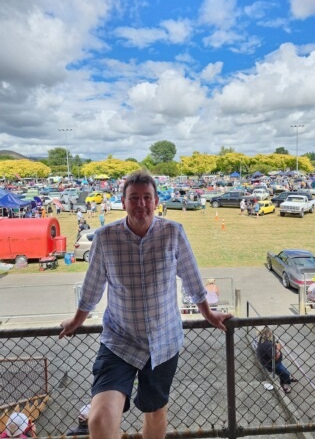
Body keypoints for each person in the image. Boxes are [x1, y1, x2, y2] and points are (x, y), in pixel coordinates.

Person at [59, 170, 231, 439]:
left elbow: (191, 276)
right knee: (99, 420)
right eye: (134, 198)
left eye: (146, 198)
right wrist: (76, 321)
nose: (141, 204)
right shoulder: (105, 238)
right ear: (123, 201)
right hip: (119, 341)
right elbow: (93, 286)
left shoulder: (173, 232)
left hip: (163, 342)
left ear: (156, 200)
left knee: (155, 412)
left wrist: (207, 313)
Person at [256, 326, 297, 394]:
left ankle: (290, 377)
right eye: (269, 332)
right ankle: (283, 386)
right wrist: (278, 347)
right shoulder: (267, 344)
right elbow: (276, 357)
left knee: (283, 368)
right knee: (284, 374)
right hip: (272, 364)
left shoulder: (261, 340)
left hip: (269, 361)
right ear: (267, 333)